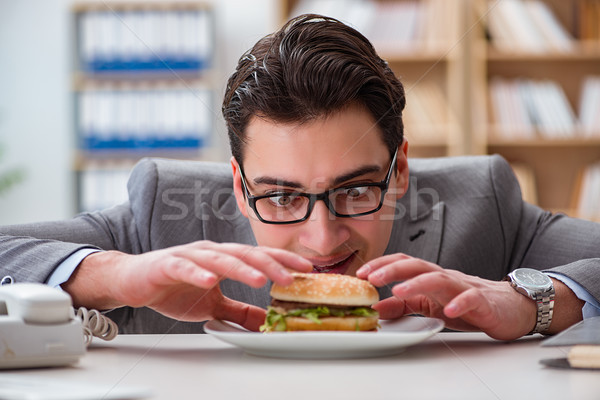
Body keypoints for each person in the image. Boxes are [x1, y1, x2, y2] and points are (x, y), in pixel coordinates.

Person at [1, 14, 599, 340]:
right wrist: (119, 274)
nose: (323, 239)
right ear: (239, 185)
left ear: (401, 171)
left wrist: (534, 303)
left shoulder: (481, 197)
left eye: (357, 189)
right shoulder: (166, 206)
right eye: (282, 196)